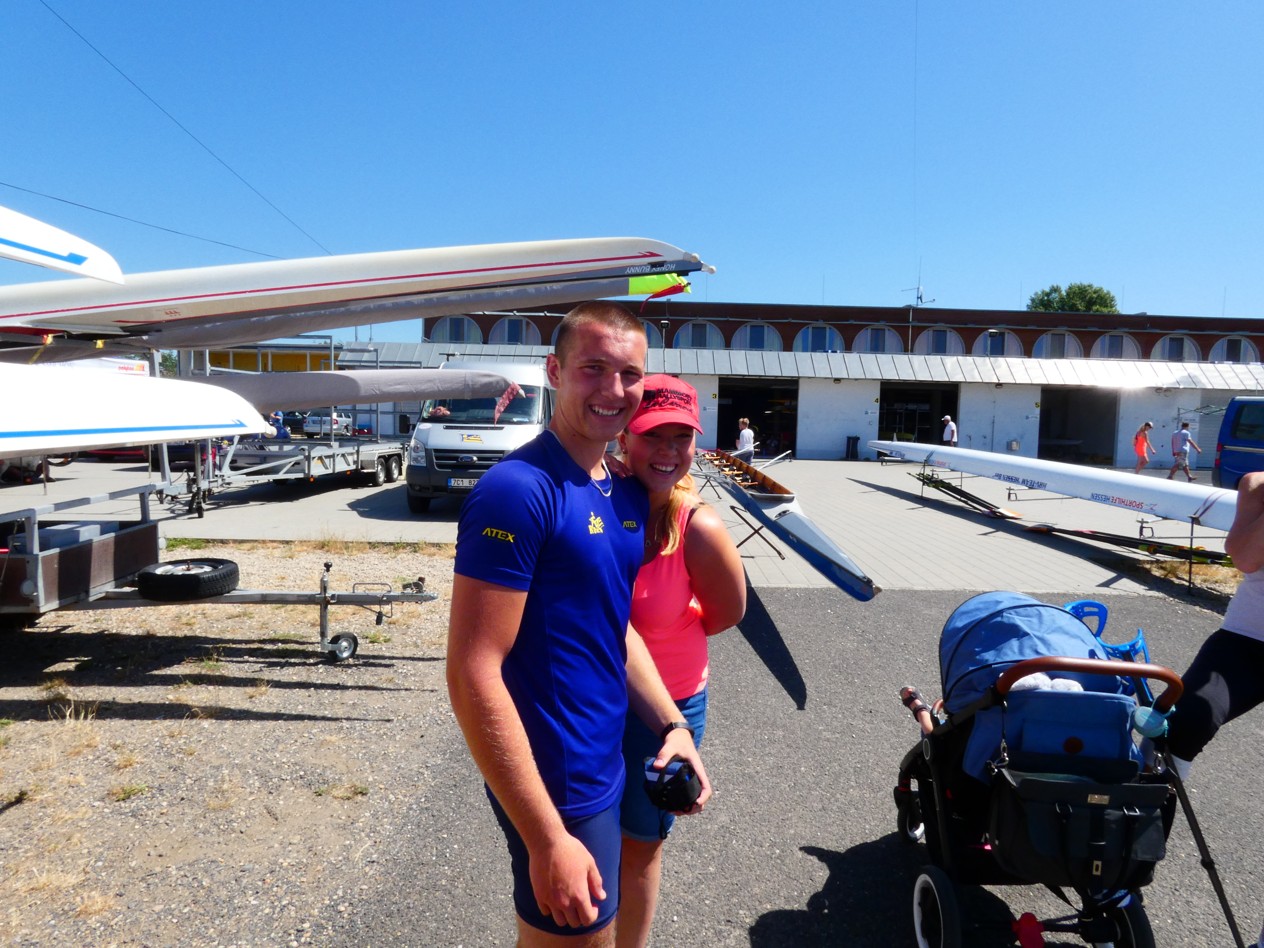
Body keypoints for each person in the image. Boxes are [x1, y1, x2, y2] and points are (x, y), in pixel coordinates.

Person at [446, 301, 711, 945]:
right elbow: (472, 673)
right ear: (554, 371)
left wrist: (673, 726)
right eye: (594, 368)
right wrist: (546, 837)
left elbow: (614, 629)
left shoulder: (618, 490)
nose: (614, 390)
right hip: (559, 781)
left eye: (630, 374)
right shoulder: (517, 491)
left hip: (604, 759)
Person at [614, 376, 746, 948]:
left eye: (681, 437)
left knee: (640, 843)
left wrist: (666, 631)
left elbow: (726, 614)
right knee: (586, 833)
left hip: (665, 711)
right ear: (624, 437)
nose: (668, 451)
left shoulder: (699, 527)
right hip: (594, 701)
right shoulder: (599, 500)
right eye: (653, 435)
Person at [1165, 470, 1264, 948]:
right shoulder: (1257, 486)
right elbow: (1244, 557)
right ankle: (1123, 859)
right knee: (1181, 722)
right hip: (1248, 641)